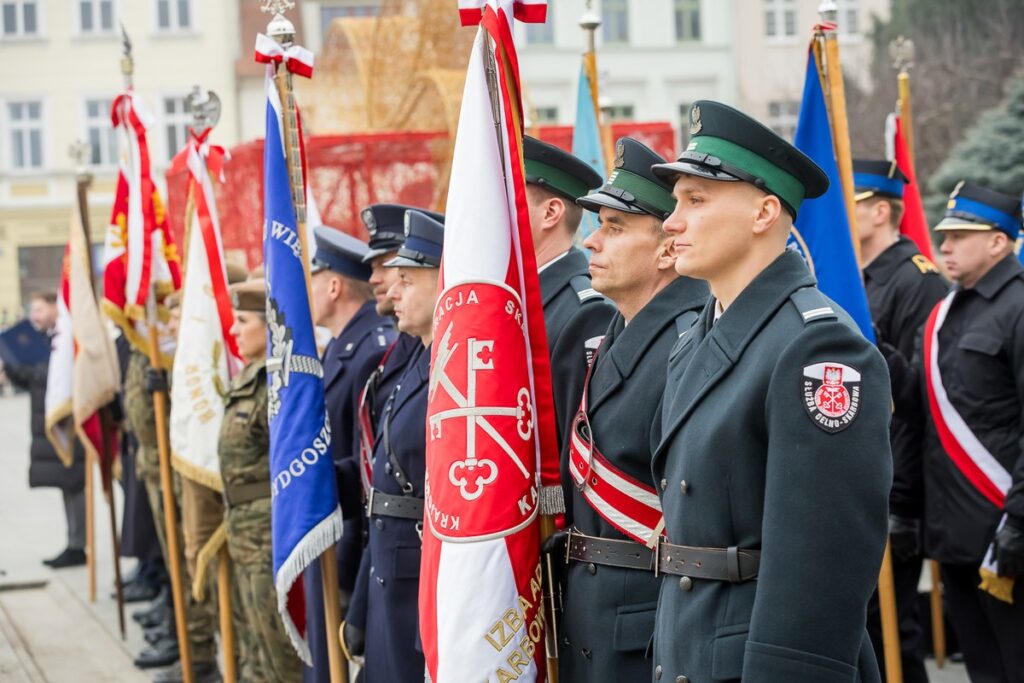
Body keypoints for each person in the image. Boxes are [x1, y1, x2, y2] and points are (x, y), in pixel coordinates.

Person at [648, 100, 893, 682]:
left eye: (696, 200)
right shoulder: (697, 336)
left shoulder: (818, 349)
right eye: (676, 201)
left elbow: (823, 561)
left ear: (764, 213)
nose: (670, 221)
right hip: (690, 652)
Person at [550, 138, 709, 682]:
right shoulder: (616, 330)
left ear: (667, 248)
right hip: (597, 616)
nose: (591, 241)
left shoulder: (689, 340)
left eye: (615, 228)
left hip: (645, 624)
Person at [887, 182, 1024, 683]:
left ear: (998, 241)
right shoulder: (945, 311)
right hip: (955, 533)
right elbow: (922, 405)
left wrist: (1020, 524)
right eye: (943, 233)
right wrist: (876, 353)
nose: (945, 244)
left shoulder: (1018, 307)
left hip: (1005, 533)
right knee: (985, 669)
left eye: (962, 234)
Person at [853, 159, 948, 683]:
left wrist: (865, 342)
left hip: (895, 488)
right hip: (856, 477)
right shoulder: (854, 277)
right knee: (861, 633)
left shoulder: (918, 282)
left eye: (854, 202)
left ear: (882, 211)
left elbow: (921, 398)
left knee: (893, 636)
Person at [343, 209, 444, 681]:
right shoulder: (416, 363)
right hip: (388, 571)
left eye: (407, 278)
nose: (391, 289)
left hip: (420, 580)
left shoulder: (452, 373)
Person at [303, 225, 395, 683]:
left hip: (352, 541)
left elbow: (369, 461)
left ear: (334, 285)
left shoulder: (370, 351)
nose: (308, 290)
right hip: (333, 530)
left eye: (313, 278)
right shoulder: (343, 347)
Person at [217, 277, 304, 682]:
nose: (232, 330)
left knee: (279, 652)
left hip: (268, 535)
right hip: (242, 531)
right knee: (252, 644)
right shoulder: (246, 378)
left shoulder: (276, 386)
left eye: (241, 321)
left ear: (267, 326)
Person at [123, 328, 218, 678]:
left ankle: (200, 652)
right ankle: (189, 646)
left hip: (195, 478)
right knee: (177, 560)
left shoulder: (207, 358)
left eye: (178, 314)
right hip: (161, 467)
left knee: (195, 564)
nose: (172, 321)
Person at [522, 136, 615, 458]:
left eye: (510, 202)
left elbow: (578, 446)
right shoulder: (516, 299)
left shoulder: (585, 312)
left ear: (550, 212)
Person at [2, 290, 86, 568]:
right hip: (47, 423)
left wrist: (22, 369)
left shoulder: (64, 339)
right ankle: (73, 543)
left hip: (66, 422)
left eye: (39, 310)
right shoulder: (44, 340)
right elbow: (33, 383)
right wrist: (13, 370)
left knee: (73, 483)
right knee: (65, 483)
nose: (34, 316)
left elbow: (52, 378)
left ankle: (78, 544)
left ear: (54, 307)